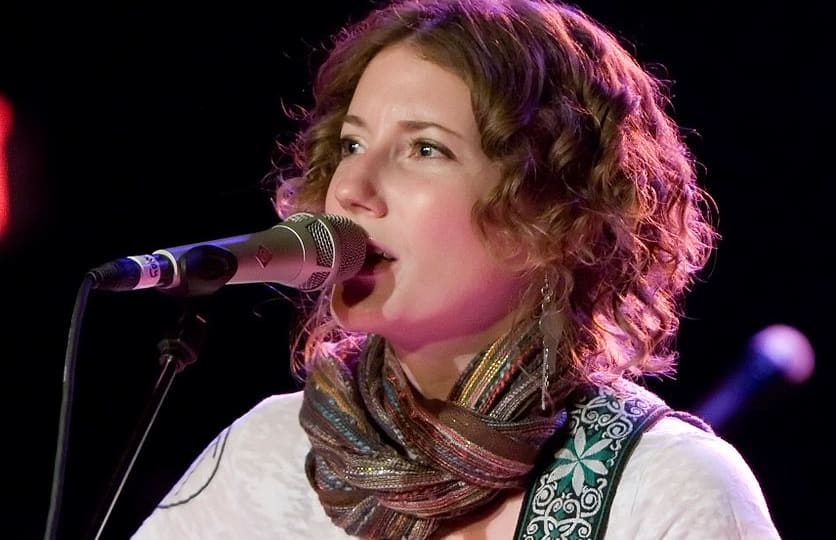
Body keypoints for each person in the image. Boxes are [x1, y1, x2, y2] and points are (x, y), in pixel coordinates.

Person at [132, 0, 781, 538]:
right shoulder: (268, 452)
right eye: (352, 144)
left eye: (424, 148)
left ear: (551, 216)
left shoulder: (662, 489)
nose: (352, 186)